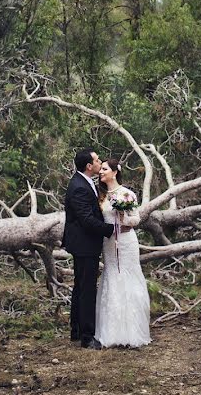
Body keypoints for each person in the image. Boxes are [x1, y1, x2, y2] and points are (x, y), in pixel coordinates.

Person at [61, 148, 131, 349]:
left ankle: (76, 330)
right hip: (84, 244)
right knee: (87, 290)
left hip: (83, 243)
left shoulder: (84, 182)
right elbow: (87, 220)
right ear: (89, 166)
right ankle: (87, 336)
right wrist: (114, 229)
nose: (100, 162)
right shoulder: (80, 186)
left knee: (81, 287)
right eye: (97, 160)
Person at [94, 158, 151, 348]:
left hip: (127, 241)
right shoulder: (100, 195)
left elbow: (137, 219)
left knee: (129, 276)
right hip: (109, 243)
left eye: (104, 169)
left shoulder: (127, 194)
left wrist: (123, 217)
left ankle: (132, 330)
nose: (100, 172)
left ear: (115, 172)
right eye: (100, 169)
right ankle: (111, 331)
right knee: (111, 276)